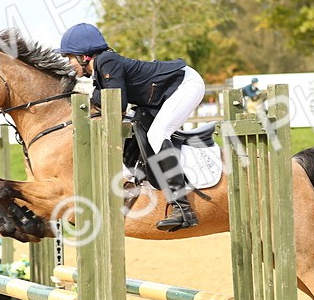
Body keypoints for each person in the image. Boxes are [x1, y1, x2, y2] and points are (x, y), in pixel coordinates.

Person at [57, 22, 205, 232]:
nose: (69, 64)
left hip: (185, 84)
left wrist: (88, 95)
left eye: (70, 57)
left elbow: (117, 104)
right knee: (138, 124)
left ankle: (182, 207)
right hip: (160, 96)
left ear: (85, 55)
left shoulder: (106, 61)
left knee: (157, 133)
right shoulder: (100, 69)